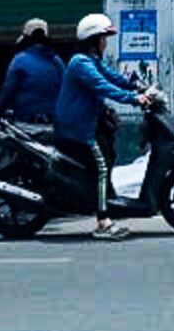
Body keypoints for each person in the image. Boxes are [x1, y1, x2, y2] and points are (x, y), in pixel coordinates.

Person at [53, 13, 144, 239]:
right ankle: (103, 221)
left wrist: (137, 86)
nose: (105, 43)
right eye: (103, 38)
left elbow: (113, 77)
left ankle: (106, 202)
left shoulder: (91, 61)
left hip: (88, 124)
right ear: (93, 40)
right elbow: (103, 86)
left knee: (108, 155)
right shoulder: (80, 63)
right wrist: (133, 98)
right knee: (101, 167)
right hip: (77, 129)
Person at [0, 18, 64, 127]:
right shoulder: (57, 61)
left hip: (26, 125)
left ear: (26, 39)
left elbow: (7, 92)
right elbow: (66, 91)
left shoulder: (19, 61)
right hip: (53, 125)